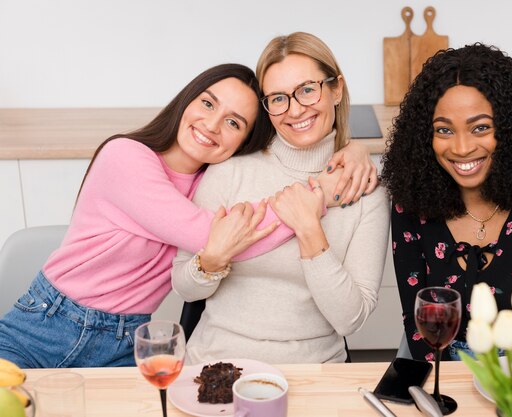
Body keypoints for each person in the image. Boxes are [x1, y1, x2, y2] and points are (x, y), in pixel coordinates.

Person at [0, 63, 377, 368]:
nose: (213, 125)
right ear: (186, 100)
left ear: (243, 141)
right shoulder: (125, 157)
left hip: (127, 340)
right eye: (208, 104)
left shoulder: (207, 180)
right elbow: (219, 240)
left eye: (234, 123)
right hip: (47, 324)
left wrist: (353, 148)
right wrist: (318, 197)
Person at [171, 32, 390, 364]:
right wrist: (211, 262)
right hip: (215, 362)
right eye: (278, 98)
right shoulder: (229, 171)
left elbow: (351, 320)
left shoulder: (363, 189)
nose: (295, 110)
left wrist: (309, 230)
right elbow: (185, 288)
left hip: (316, 370)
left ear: (336, 89)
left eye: (306, 90)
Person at [381, 43, 512, 361]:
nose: (462, 147)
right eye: (444, 130)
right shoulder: (411, 199)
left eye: (480, 127)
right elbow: (418, 328)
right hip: (445, 369)